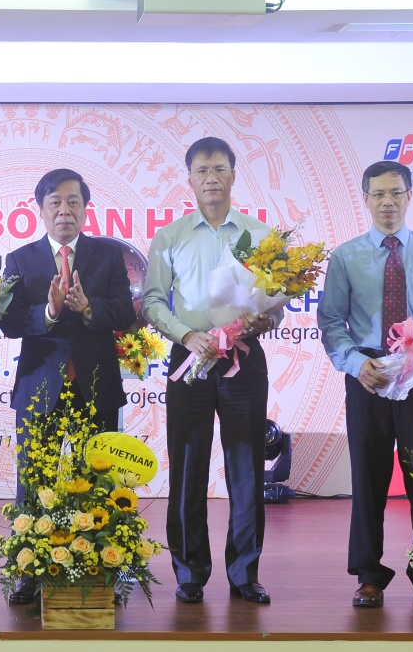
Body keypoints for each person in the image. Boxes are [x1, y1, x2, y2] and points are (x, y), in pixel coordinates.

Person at [317, 160, 413, 609]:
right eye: (378, 194)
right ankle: (369, 576)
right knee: (368, 477)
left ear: (410, 196)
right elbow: (331, 322)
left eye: (396, 193)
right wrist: (355, 364)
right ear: (365, 199)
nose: (387, 202)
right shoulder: (345, 256)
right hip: (369, 374)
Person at [141, 136, 278, 605]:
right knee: (188, 466)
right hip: (190, 358)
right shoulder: (170, 236)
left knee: (246, 467)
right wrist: (185, 335)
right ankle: (189, 572)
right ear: (190, 179)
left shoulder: (260, 235)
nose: (212, 178)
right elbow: (153, 300)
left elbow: (275, 302)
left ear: (234, 175)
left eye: (220, 169)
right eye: (202, 170)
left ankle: (244, 573)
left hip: (243, 357)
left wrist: (266, 319)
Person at [0, 168, 136, 605]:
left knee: (95, 482)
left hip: (96, 387)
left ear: (85, 208)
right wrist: (51, 312)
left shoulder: (107, 256)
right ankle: (27, 571)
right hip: (40, 388)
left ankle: (100, 571)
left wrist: (89, 307)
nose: (64, 211)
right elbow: (8, 322)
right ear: (40, 209)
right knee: (33, 481)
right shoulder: (20, 259)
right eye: (55, 202)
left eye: (73, 202)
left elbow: (126, 313)